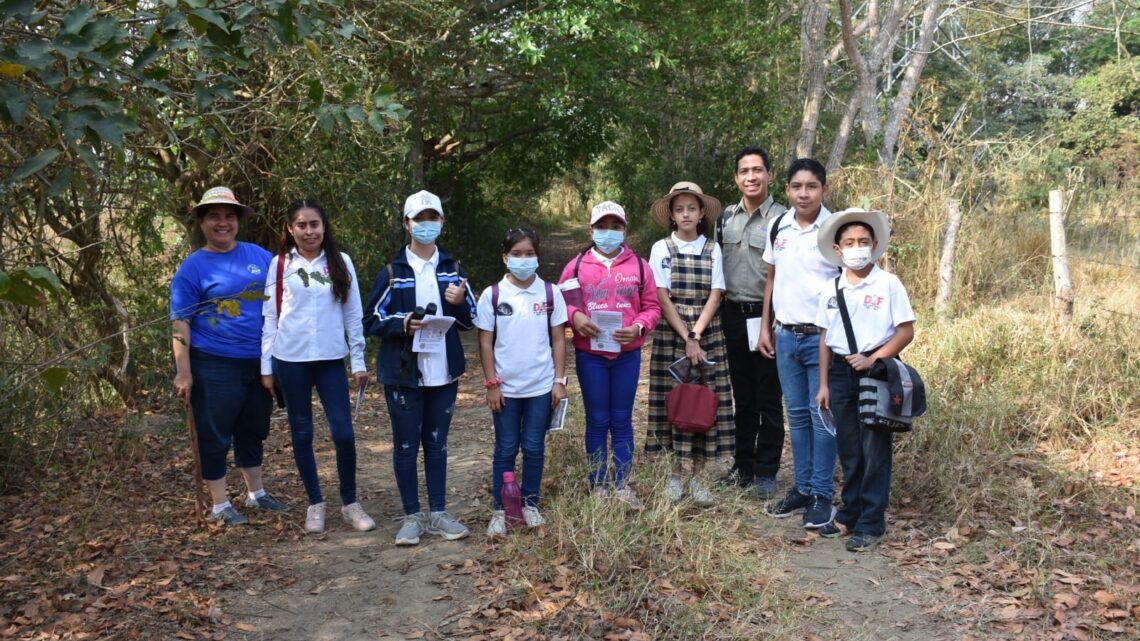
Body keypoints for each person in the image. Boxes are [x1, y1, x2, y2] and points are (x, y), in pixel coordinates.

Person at [363, 190, 477, 546]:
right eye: (418, 219)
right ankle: (412, 516)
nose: (426, 225)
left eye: (432, 218)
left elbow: (471, 318)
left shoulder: (452, 268)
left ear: (442, 222)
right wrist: (403, 322)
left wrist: (458, 304)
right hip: (403, 372)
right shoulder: (393, 272)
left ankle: (439, 513)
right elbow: (371, 319)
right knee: (406, 445)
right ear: (406, 224)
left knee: (437, 444)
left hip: (444, 371)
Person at [170, 186, 289, 525]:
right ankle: (220, 504)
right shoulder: (193, 268)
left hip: (259, 362)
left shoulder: (259, 257)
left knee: (253, 428)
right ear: (203, 223)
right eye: (214, 217)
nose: (223, 223)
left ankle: (256, 494)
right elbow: (181, 322)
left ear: (237, 221)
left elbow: (284, 301)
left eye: (229, 216)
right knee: (215, 431)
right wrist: (184, 370)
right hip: (213, 362)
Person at [261, 199, 374, 534]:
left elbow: (353, 315)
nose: (309, 231)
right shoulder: (280, 265)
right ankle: (315, 503)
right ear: (290, 229)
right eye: (301, 225)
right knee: (302, 432)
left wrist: (358, 360)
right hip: (290, 360)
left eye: (314, 224)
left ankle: (350, 502)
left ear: (324, 227)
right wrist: (266, 366)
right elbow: (270, 317)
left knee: (343, 432)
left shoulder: (341, 263)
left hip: (329, 360)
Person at [814, 209, 915, 552]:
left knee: (875, 447)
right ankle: (849, 512)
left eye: (863, 242)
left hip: (877, 371)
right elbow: (825, 338)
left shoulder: (888, 284)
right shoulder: (832, 288)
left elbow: (905, 331)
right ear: (838, 249)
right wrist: (824, 383)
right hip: (841, 373)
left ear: (874, 246)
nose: (857, 247)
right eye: (850, 242)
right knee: (850, 446)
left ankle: (872, 521)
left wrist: (874, 358)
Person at [558, 201, 661, 508]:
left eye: (616, 226)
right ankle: (598, 485)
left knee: (621, 419)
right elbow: (561, 300)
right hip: (591, 356)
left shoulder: (639, 267)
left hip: (627, 356)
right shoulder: (576, 266)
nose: (609, 232)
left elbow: (652, 307)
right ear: (592, 230)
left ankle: (622, 484)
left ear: (624, 230)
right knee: (597, 419)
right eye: (603, 226)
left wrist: (640, 327)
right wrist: (574, 315)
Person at [758, 159, 842, 530]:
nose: (803, 193)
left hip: (823, 339)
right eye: (796, 186)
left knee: (821, 417)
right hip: (785, 335)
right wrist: (765, 325)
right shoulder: (779, 226)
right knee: (797, 416)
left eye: (811, 186)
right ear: (787, 190)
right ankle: (802, 489)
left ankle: (823, 496)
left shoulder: (837, 228)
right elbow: (771, 277)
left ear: (824, 188)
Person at [645, 182, 734, 506]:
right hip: (673, 335)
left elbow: (715, 294)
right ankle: (674, 476)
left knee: (703, 405)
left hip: (707, 333)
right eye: (679, 209)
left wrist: (697, 335)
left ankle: (699, 478)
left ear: (700, 214)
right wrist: (687, 337)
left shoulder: (712, 249)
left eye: (691, 209)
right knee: (675, 404)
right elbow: (661, 297)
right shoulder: (661, 249)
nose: (686, 214)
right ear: (671, 214)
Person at [475, 229, 568, 537]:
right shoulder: (493, 295)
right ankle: (501, 509)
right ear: (505, 257)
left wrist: (559, 381)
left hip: (541, 387)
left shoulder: (551, 293)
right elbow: (486, 342)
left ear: (537, 257)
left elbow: (558, 340)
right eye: (517, 254)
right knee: (505, 448)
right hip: (506, 390)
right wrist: (492, 383)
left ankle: (529, 503)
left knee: (534, 447)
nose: (524, 259)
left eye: (529, 254)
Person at [716, 146, 788, 500]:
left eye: (757, 170)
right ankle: (742, 466)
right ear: (736, 178)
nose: (751, 177)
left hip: (768, 318)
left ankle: (767, 471)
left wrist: (772, 321)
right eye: (744, 171)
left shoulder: (783, 220)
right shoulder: (725, 219)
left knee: (769, 398)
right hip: (732, 315)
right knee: (740, 397)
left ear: (770, 175)